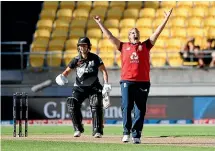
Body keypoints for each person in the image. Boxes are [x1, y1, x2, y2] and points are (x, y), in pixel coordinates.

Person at [93, 8, 173, 144]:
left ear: (139, 35)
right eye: (131, 32)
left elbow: (157, 33)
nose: (134, 33)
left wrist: (166, 19)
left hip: (143, 82)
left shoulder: (146, 45)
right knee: (126, 106)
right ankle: (126, 132)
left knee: (140, 109)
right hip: (127, 81)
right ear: (129, 36)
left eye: (136, 32)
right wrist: (100, 23)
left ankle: (136, 134)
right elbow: (110, 37)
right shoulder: (123, 46)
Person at [55, 37, 112, 138]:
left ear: (88, 47)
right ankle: (78, 128)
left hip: (94, 86)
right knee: (72, 103)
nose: (82, 47)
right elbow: (67, 71)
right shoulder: (76, 60)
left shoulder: (95, 58)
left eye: (84, 45)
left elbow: (103, 71)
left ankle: (97, 130)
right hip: (79, 87)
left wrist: (106, 83)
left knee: (96, 104)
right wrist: (62, 77)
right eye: (80, 46)